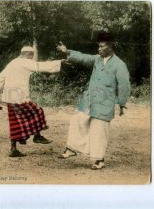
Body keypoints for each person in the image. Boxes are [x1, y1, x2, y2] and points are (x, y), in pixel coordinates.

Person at [56, 32, 131, 170]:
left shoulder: (119, 64)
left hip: (105, 102)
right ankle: (72, 149)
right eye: (98, 46)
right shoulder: (97, 59)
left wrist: (121, 104)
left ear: (110, 47)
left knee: (99, 130)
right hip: (89, 99)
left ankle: (99, 160)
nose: (99, 49)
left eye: (101, 47)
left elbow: (124, 85)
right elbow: (83, 58)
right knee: (77, 119)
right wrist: (67, 51)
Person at [0, 46, 63, 157]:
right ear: (28, 54)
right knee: (38, 111)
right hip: (19, 98)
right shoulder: (24, 62)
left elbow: (0, 77)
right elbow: (40, 66)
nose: (32, 59)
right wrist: (60, 62)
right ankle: (37, 136)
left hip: (9, 98)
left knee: (15, 123)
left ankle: (13, 149)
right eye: (32, 56)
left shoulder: (12, 63)